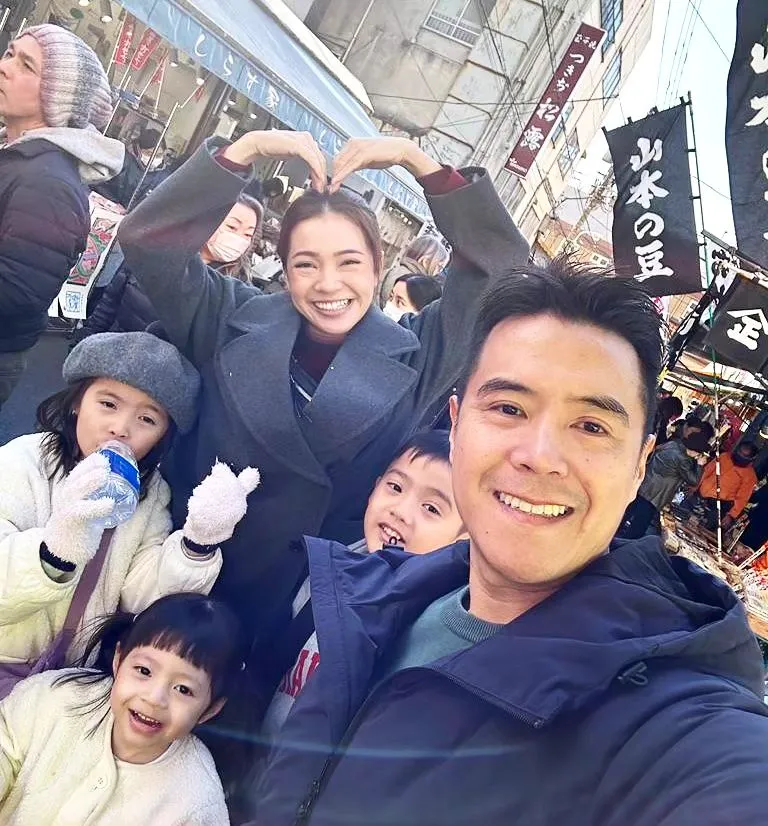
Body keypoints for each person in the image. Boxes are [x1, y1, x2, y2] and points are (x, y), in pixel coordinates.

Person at [248, 261, 768, 826]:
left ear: (640, 466)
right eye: (508, 408)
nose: (539, 456)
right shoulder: (375, 596)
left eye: (591, 426)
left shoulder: (670, 722)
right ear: (455, 426)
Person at [116, 131, 527, 677]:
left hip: (303, 611)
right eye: (306, 264)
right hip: (180, 574)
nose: (328, 284)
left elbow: (502, 272)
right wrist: (244, 150)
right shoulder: (226, 316)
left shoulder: (420, 353)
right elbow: (149, 241)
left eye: (349, 262)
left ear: (378, 268)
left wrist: (418, 162)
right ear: (285, 271)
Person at [0, 332, 260, 689]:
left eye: (147, 420)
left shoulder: (151, 495)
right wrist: (54, 551)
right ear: (77, 402)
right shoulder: (22, 463)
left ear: (163, 436)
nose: (120, 429)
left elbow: (144, 596)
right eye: (108, 404)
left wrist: (197, 543)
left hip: (69, 679)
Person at [262, 429, 465, 736]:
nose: (400, 511)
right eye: (395, 487)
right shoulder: (327, 567)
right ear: (374, 489)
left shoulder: (428, 623)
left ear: (464, 541)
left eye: (431, 508)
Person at [0, 592, 246, 824]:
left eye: (183, 689)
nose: (154, 698)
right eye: (144, 671)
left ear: (211, 709)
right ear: (119, 661)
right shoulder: (56, 697)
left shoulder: (196, 803)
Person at [0, 25, 124, 409]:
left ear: (57, 99)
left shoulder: (49, 181)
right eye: (10, 53)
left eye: (27, 65)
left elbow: (18, 291)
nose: (5, 66)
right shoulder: (18, 154)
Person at [79, 194, 264, 337]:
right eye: (232, 227)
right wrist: (86, 340)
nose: (238, 238)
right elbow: (108, 304)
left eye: (248, 234)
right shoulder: (155, 252)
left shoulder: (234, 293)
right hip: (108, 352)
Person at [618, 429, 710, 539]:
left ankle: (613, 537)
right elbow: (693, 480)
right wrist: (699, 465)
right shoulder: (682, 459)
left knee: (627, 514)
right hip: (655, 495)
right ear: (696, 451)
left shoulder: (672, 444)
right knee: (638, 526)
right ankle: (622, 545)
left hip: (644, 485)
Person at [695, 441, 759, 531]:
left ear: (751, 460)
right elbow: (707, 471)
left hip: (717, 506)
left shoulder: (750, 476)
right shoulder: (724, 457)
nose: (740, 456)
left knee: (701, 530)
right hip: (699, 494)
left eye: (744, 456)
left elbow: (742, 498)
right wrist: (695, 485)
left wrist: (731, 515)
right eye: (740, 453)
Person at [378, 235, 449, 309]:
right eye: (439, 267)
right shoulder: (412, 285)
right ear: (426, 262)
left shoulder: (393, 271)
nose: (438, 272)